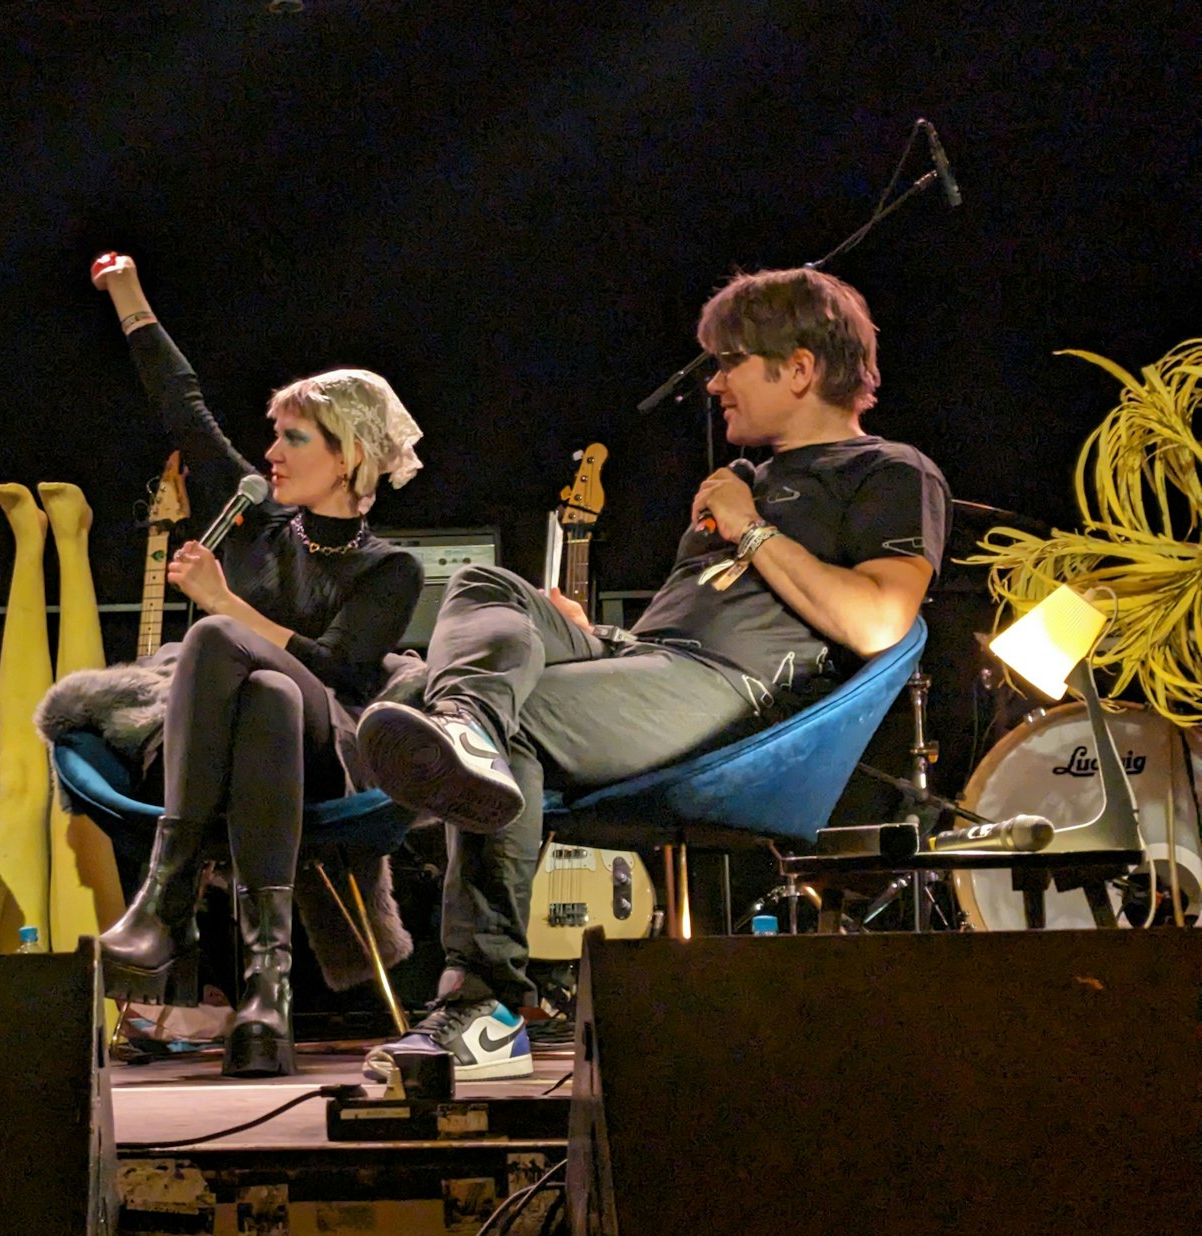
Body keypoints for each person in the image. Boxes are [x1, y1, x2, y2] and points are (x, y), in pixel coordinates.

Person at [357, 268, 949, 1081]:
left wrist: (747, 529)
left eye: (731, 361)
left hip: (730, 693)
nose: (714, 383)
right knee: (486, 590)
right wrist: (585, 634)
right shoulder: (750, 476)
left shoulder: (887, 472)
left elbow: (880, 620)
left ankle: (485, 1002)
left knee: (508, 715)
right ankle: (467, 728)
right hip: (646, 659)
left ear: (801, 369)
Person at [88, 252, 426, 1077]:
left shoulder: (391, 569)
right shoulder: (254, 518)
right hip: (241, 741)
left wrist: (224, 606)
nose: (271, 451)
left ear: (347, 456)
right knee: (268, 695)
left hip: (327, 756)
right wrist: (128, 295)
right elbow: (184, 407)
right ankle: (264, 1001)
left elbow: (343, 673)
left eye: (293, 437)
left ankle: (165, 893)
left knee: (222, 646)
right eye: (274, 435)